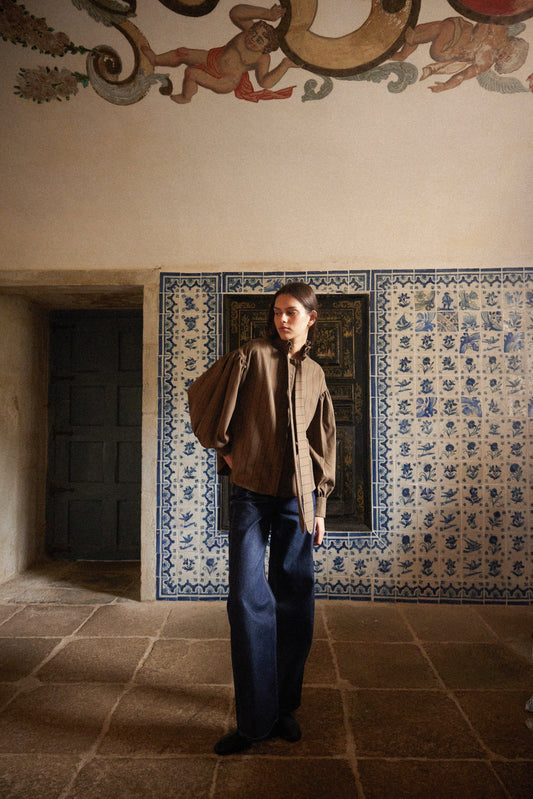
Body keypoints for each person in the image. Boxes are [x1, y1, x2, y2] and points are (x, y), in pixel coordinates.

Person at [187, 282, 336, 755]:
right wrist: (228, 453)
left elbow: (323, 440)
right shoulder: (249, 356)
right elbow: (203, 398)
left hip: (298, 499)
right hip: (251, 494)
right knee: (248, 600)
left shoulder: (316, 373)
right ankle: (253, 722)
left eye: (291, 312)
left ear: (311, 318)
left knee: (294, 599)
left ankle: (284, 707)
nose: (282, 320)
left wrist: (320, 506)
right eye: (276, 312)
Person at [141, 3, 299, 104]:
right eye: (254, 33)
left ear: (266, 47)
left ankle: (186, 97)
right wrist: (267, 14)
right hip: (213, 58)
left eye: (259, 40)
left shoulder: (263, 58)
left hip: (226, 80)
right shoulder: (247, 30)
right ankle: (156, 59)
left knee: (191, 73)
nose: (253, 38)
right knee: (182, 52)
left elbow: (265, 82)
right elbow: (235, 12)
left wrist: (284, 65)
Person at [390, 16, 528, 91]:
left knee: (438, 38)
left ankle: (413, 38)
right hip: (461, 29)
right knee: (423, 29)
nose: (503, 57)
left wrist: (446, 86)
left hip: (447, 50)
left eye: (505, 61)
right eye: (509, 55)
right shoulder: (500, 31)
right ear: (513, 46)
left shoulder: (485, 62)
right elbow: (487, 18)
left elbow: (462, 76)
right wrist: (476, 41)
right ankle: (403, 53)